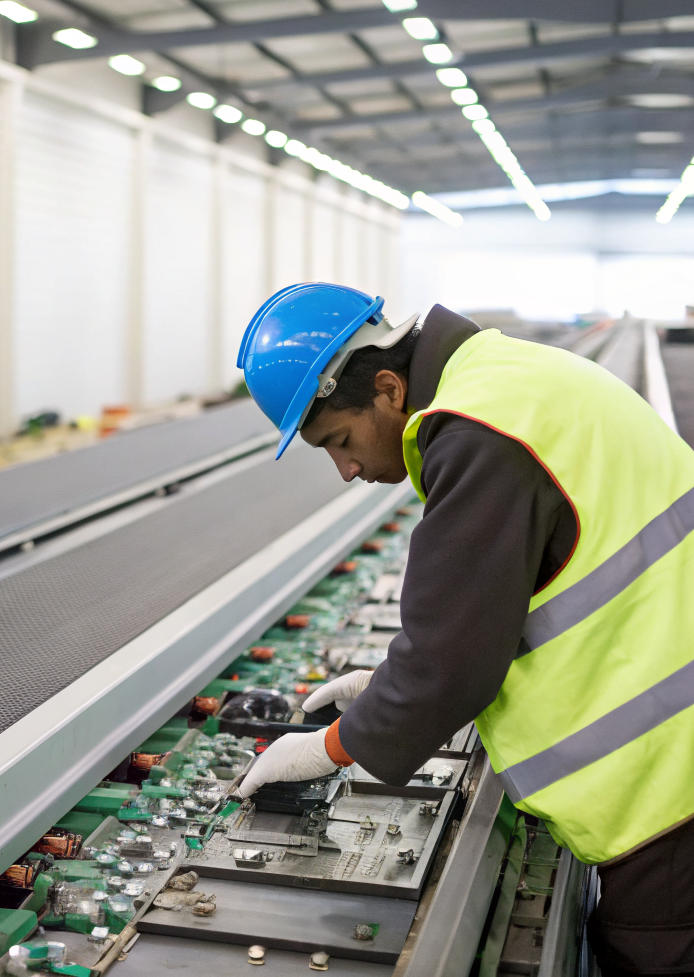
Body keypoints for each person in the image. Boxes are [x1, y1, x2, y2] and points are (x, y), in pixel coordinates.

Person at [233, 283, 694, 976]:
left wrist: (330, 748)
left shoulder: (480, 431)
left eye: (341, 441)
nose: (348, 471)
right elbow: (498, 606)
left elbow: (449, 666)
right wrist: (386, 683)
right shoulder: (502, 383)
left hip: (673, 784)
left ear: (388, 388)